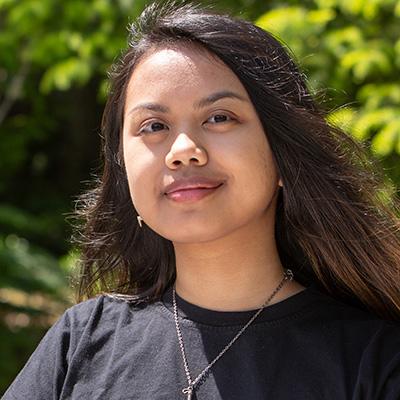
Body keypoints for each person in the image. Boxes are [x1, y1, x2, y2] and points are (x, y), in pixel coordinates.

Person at [3, 2, 400, 399]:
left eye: (219, 117)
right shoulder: (80, 344)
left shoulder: (373, 360)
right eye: (154, 126)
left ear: (283, 153)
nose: (183, 150)